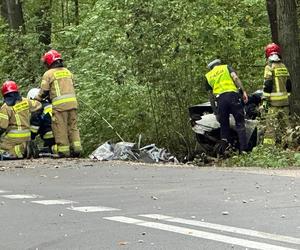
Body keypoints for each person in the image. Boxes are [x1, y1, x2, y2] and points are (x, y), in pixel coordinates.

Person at [36, 49, 82, 157]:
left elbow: (44, 91)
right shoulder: (68, 72)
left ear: (49, 62)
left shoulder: (48, 74)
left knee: (59, 127)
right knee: (73, 127)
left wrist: (37, 98)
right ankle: (77, 149)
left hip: (60, 106)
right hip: (73, 104)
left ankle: (64, 151)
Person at [205, 59, 248, 152]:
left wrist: (216, 112)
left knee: (224, 127)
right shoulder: (226, 67)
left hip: (221, 100)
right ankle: (244, 151)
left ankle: (226, 152)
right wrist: (243, 91)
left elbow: (210, 96)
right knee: (240, 123)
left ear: (211, 68)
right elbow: (235, 78)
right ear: (219, 64)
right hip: (233, 96)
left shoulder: (208, 76)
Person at [0, 81, 42, 159]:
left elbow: (2, 127)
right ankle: (26, 147)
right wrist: (34, 119)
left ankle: (23, 148)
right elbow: (39, 106)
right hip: (27, 136)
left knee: (2, 150)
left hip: (13, 137)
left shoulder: (5, 107)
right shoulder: (26, 101)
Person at [262, 43, 292, 146]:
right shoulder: (283, 66)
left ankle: (268, 148)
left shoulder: (269, 67)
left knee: (271, 126)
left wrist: (265, 100)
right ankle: (290, 145)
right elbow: (288, 84)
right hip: (285, 102)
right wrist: (287, 95)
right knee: (286, 126)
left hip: (274, 103)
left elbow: (268, 84)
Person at [27, 88, 55, 155]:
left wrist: (30, 137)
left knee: (52, 149)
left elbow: (35, 126)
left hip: (50, 136)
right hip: (62, 134)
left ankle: (53, 149)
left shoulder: (38, 108)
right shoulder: (51, 105)